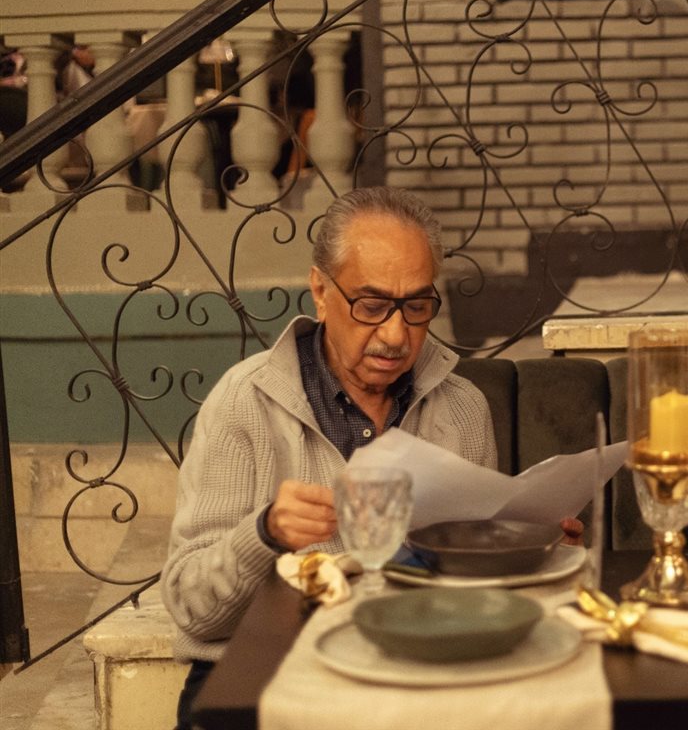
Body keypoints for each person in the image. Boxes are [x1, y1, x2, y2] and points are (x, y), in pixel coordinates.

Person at [162, 187, 578, 729]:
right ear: (320, 291)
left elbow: (473, 589)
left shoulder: (461, 408)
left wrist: (534, 549)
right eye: (372, 306)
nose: (396, 335)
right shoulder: (245, 402)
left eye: (417, 307)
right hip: (268, 662)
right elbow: (193, 609)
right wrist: (264, 534)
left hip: (414, 662)